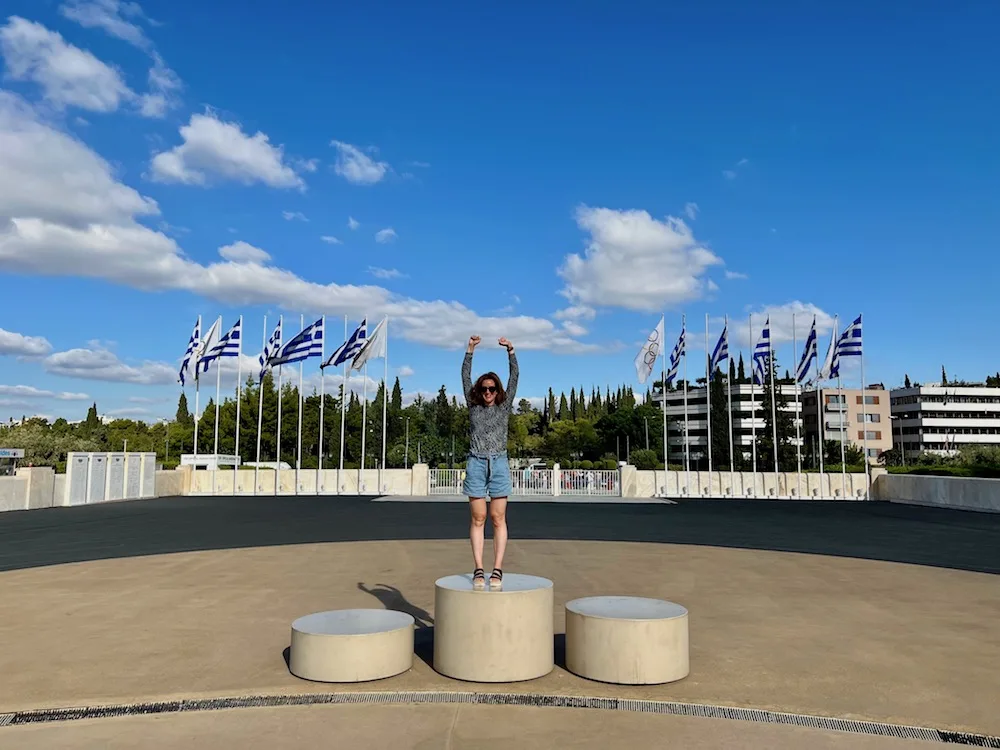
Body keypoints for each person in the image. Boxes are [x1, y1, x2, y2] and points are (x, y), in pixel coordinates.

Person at [461, 334, 518, 590]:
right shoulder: (473, 408)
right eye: (484, 389)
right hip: (475, 463)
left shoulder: (504, 407)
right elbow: (464, 376)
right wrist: (470, 350)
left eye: (492, 389)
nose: (487, 392)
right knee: (478, 518)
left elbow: (514, 378)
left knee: (498, 518)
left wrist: (511, 352)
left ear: (497, 391)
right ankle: (478, 568)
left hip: (499, 463)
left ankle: (497, 569)